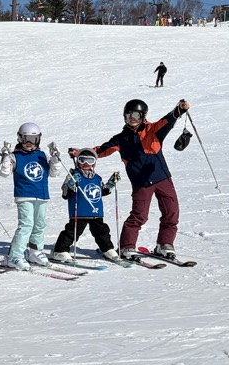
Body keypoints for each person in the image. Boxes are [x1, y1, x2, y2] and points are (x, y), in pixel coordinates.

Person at [78, 98, 190, 260]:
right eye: (128, 114)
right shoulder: (121, 139)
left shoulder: (153, 130)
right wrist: (79, 153)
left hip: (162, 178)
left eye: (136, 115)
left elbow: (168, 120)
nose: (132, 118)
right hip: (141, 183)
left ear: (143, 116)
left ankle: (164, 244)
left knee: (171, 213)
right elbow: (100, 150)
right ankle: (126, 247)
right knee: (139, 216)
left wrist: (180, 109)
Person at [0, 122, 64, 269]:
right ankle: (15, 256)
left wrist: (55, 162)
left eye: (33, 139)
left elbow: (54, 173)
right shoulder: (16, 156)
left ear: (38, 140)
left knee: (40, 224)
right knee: (26, 225)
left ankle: (35, 251)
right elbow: (4, 174)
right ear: (20, 138)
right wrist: (5, 160)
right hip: (24, 195)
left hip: (41, 195)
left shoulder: (42, 155)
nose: (29, 143)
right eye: (25, 138)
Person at [51, 149, 122, 262]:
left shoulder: (97, 178)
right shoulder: (73, 175)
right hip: (79, 211)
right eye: (82, 160)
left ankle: (107, 249)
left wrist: (110, 184)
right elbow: (65, 193)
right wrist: (70, 186)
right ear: (78, 161)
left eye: (90, 160)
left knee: (101, 232)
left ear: (94, 163)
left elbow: (100, 192)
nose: (86, 164)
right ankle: (60, 250)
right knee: (72, 232)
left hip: (96, 211)